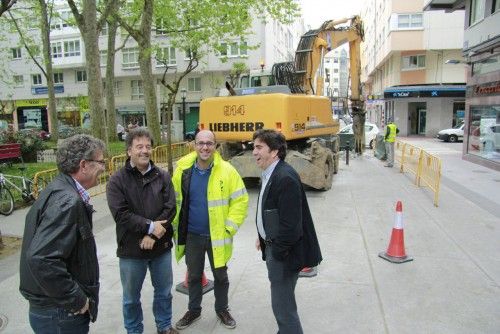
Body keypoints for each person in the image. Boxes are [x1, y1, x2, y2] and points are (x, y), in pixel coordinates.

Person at [19, 134, 106, 334]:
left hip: (53, 310)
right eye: (100, 162)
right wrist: (77, 299)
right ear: (84, 165)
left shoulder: (59, 190)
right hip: (59, 313)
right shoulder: (67, 201)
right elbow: (41, 258)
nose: (104, 167)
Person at [172, 130, 248, 330]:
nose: (205, 147)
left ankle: (222, 309)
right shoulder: (182, 171)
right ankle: (193, 310)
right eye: (200, 143)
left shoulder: (227, 171)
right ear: (194, 145)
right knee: (194, 276)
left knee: (221, 276)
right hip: (192, 236)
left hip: (218, 236)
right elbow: (174, 201)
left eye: (209, 143)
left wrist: (229, 228)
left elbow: (240, 200)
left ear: (216, 146)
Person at [106, 127, 178, 334]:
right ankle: (134, 330)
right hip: (131, 250)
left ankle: (164, 326)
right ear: (129, 151)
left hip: (160, 247)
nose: (144, 151)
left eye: (148, 146)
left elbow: (170, 208)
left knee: (164, 292)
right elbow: (121, 214)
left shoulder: (162, 176)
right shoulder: (117, 180)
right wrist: (149, 227)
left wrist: (152, 234)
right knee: (130, 298)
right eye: (139, 147)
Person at [252, 129, 322, 334]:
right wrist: (262, 236)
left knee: (283, 309)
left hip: (283, 255)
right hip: (275, 248)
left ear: (274, 152)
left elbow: (292, 228)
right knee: (283, 303)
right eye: (254, 147)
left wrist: (277, 252)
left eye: (259, 147)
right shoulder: (270, 173)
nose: (254, 152)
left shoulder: (285, 178)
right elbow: (271, 211)